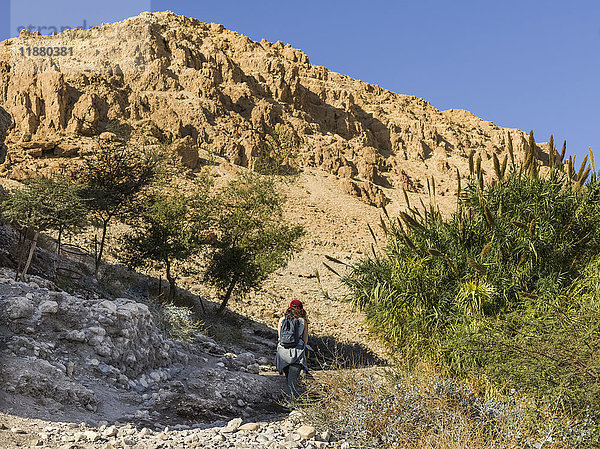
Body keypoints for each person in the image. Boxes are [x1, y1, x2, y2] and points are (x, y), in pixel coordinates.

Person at [275, 299, 309, 401]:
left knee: (288, 378)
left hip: (283, 353)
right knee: (292, 380)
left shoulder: (281, 320)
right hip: (297, 353)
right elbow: (305, 340)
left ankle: (288, 401)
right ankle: (290, 403)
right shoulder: (303, 321)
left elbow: (280, 338)